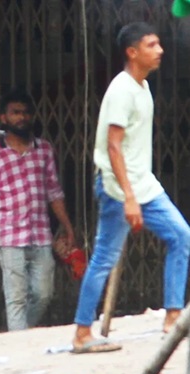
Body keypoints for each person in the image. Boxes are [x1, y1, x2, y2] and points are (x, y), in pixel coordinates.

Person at [71, 22, 190, 354]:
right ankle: (82, 332)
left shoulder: (142, 87)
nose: (160, 50)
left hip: (143, 183)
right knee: (104, 258)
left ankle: (173, 316)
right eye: (152, 44)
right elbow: (113, 146)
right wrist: (129, 198)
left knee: (182, 236)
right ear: (132, 52)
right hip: (118, 187)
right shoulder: (122, 90)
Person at [0, 89, 75, 331]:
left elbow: (54, 192)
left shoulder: (44, 150)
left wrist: (68, 227)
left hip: (41, 235)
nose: (22, 117)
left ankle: (18, 337)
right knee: (16, 298)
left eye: (26, 113)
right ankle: (18, 345)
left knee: (43, 294)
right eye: (15, 113)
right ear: (3, 118)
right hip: (9, 236)